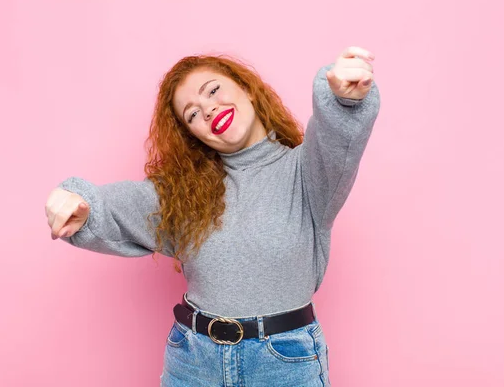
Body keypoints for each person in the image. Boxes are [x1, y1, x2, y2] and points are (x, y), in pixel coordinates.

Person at [45, 46, 380, 386]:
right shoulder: (187, 195)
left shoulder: (308, 174)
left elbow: (338, 136)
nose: (207, 110)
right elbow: (112, 206)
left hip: (284, 364)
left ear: (246, 87)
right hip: (193, 361)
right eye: (191, 115)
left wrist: (343, 100)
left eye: (213, 91)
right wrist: (77, 200)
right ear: (193, 136)